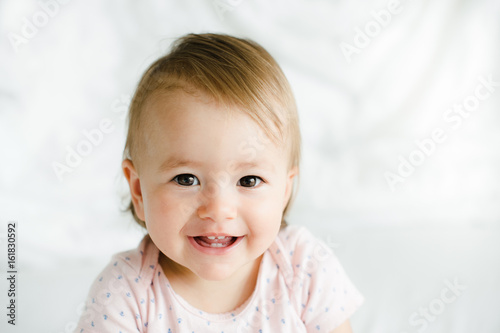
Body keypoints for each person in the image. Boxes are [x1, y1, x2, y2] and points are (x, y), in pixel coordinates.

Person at [75, 33, 364, 333]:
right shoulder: (125, 295)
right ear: (138, 190)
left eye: (249, 180)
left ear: (285, 191)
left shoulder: (303, 269)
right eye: (186, 179)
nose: (218, 209)